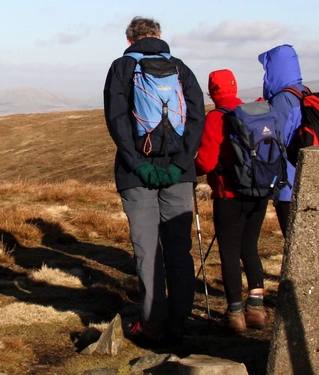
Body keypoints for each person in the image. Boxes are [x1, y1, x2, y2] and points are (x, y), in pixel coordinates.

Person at [103, 16, 205, 345]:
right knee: (179, 249)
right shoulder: (180, 68)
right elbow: (196, 118)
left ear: (130, 40)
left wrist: (138, 164)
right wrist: (180, 164)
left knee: (148, 252)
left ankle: (151, 322)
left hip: (136, 175)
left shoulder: (121, 68)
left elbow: (117, 121)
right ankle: (180, 322)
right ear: (159, 36)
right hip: (178, 173)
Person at [195, 69, 268, 333]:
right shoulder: (256, 111)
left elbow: (206, 161)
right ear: (235, 87)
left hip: (229, 195)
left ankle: (235, 312)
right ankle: (257, 308)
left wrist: (190, 171)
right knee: (250, 247)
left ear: (212, 91)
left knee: (229, 251)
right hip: (260, 192)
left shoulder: (216, 117)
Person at [258, 44, 305, 237]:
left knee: (293, 239)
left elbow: (275, 142)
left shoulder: (282, 100)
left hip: (288, 184)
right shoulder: (303, 92)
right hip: (306, 178)